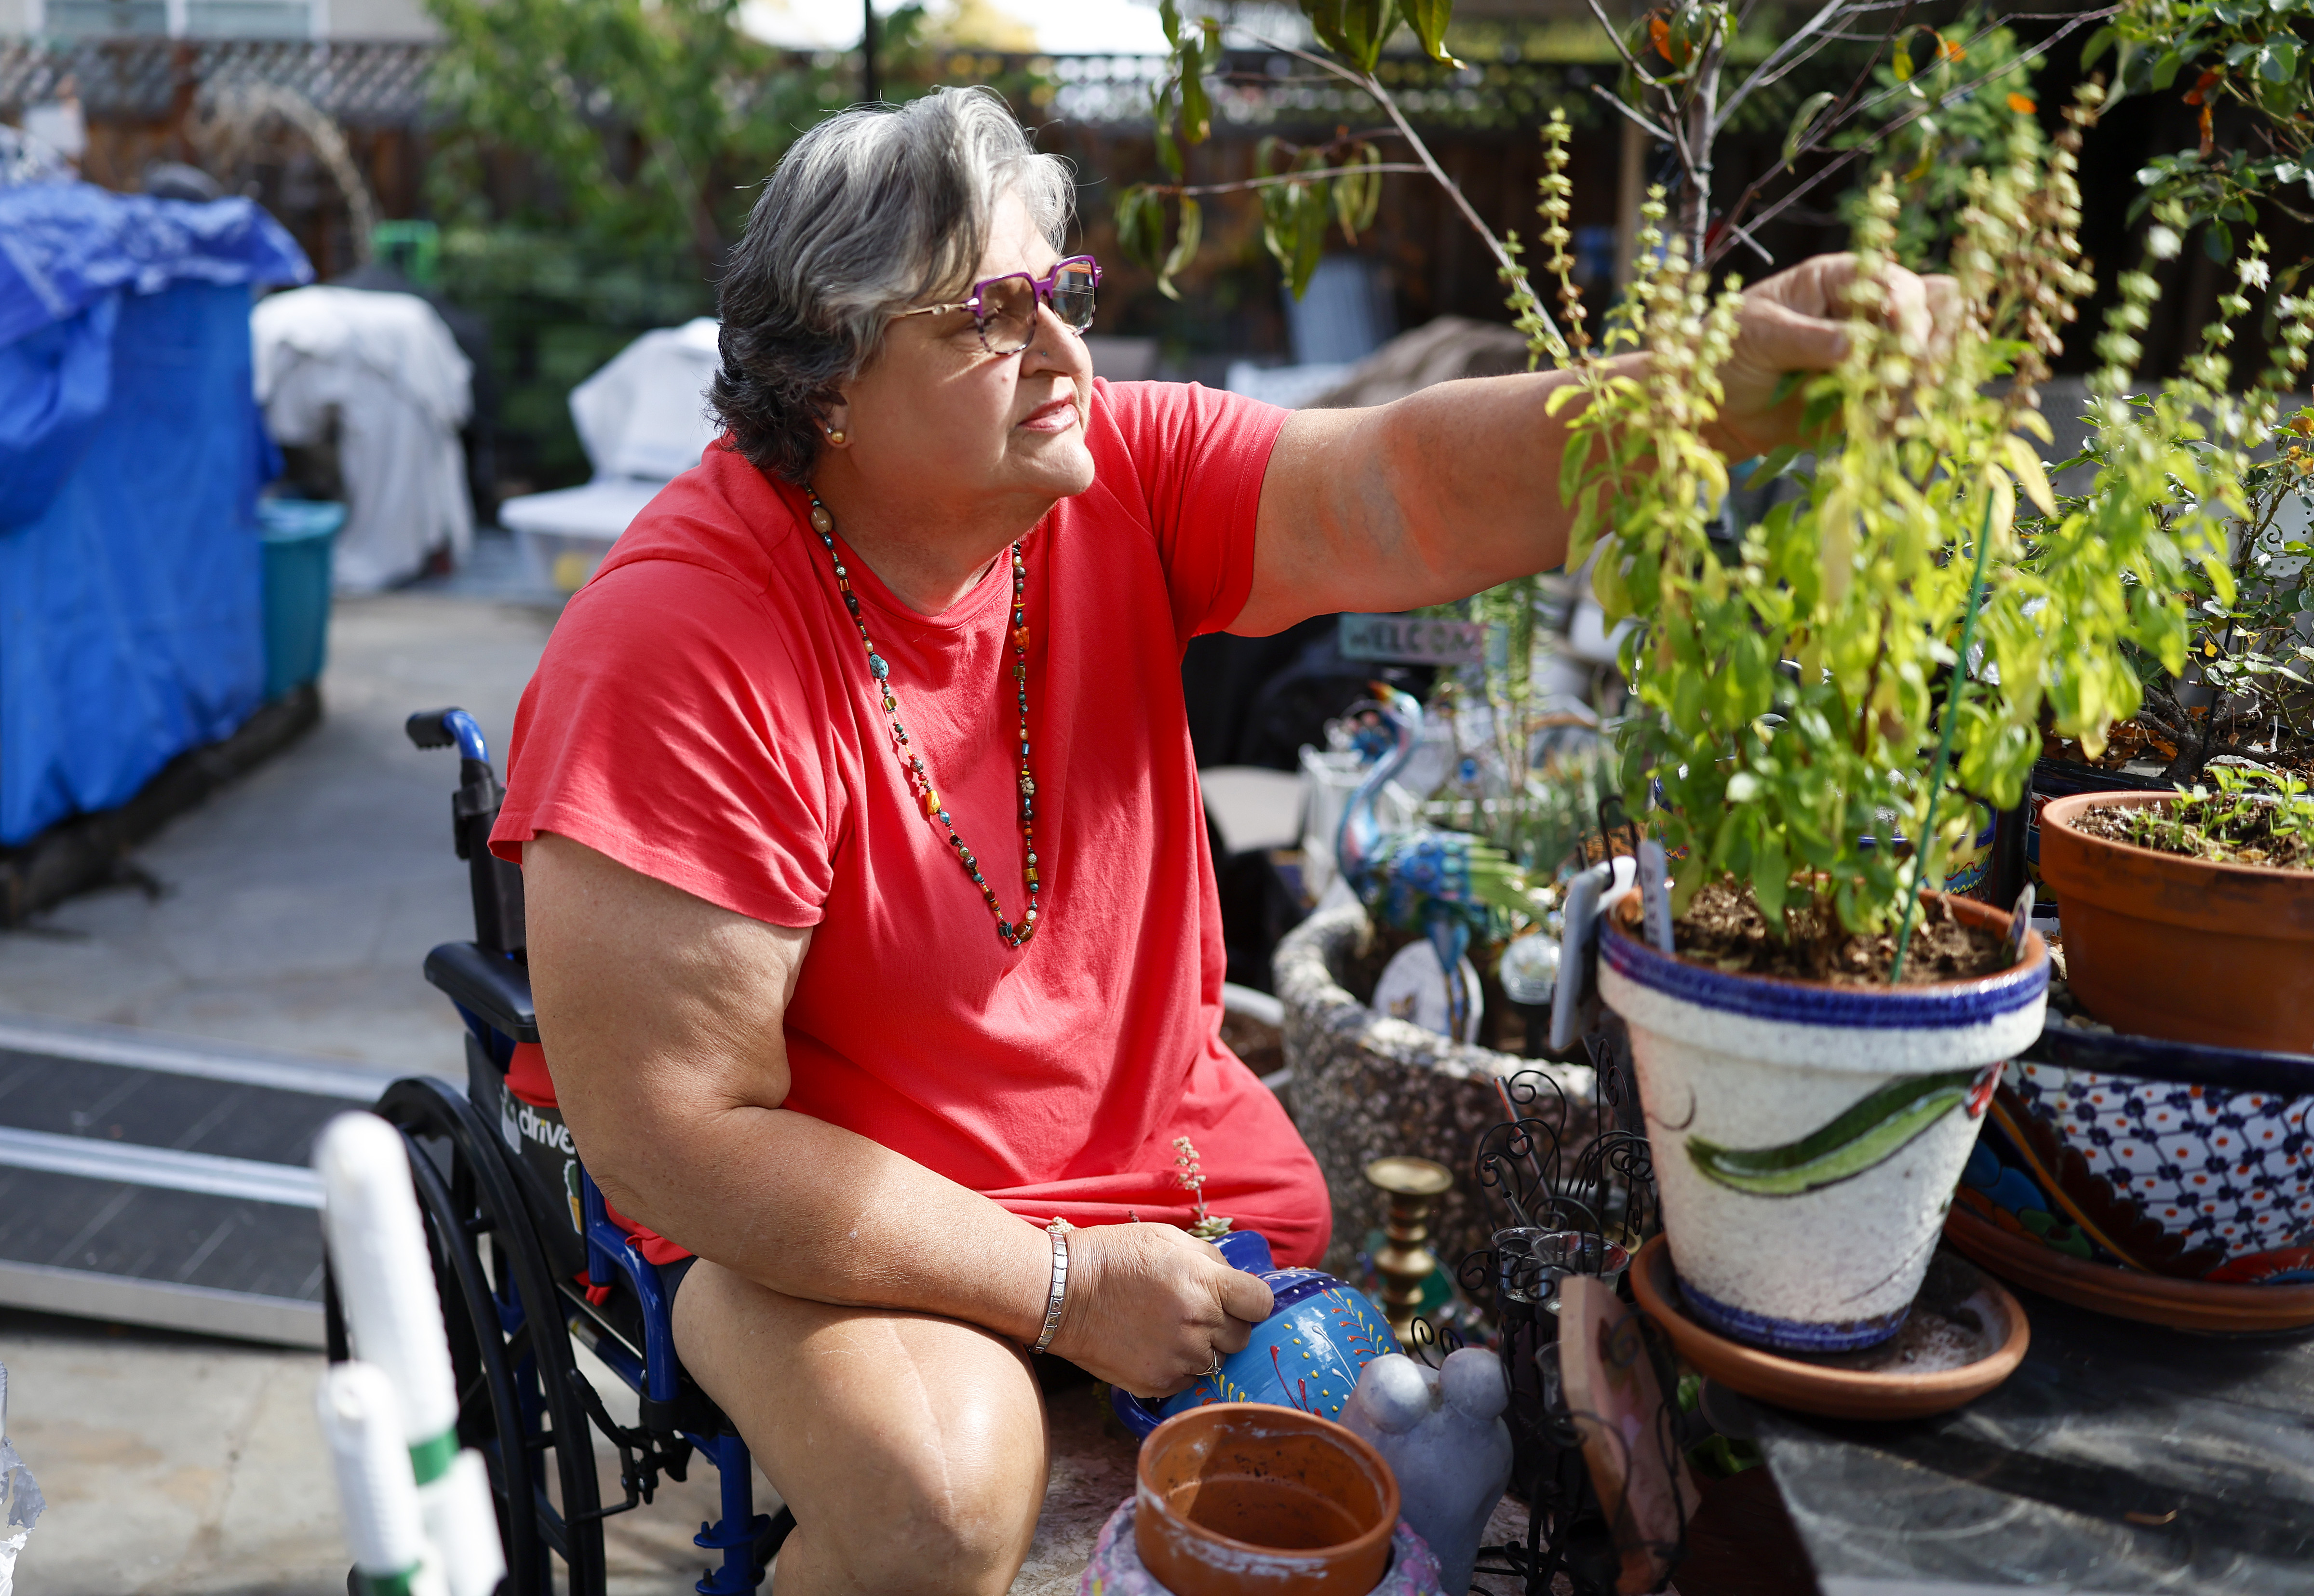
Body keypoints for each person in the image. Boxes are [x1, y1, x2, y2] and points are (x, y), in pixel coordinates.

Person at [492, 86, 1955, 1596]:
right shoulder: (683, 642)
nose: (1066, 353)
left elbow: (1408, 487)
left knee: (1389, 1486)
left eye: (1057, 291)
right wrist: (1059, 1286)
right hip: (835, 1223)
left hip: (1153, 1193)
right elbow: (678, 1137)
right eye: (988, 319)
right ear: (830, 385)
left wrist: (1706, 396)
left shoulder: (1109, 480)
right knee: (940, 1504)